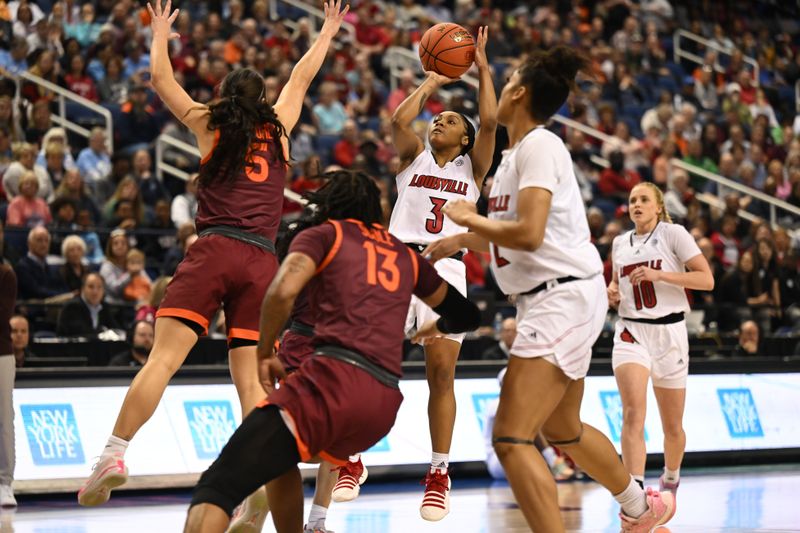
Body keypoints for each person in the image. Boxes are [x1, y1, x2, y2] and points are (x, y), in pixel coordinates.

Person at [78, 3, 351, 527]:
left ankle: (113, 453)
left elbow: (160, 77)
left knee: (162, 361)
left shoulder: (211, 123)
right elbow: (302, 74)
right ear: (263, 100)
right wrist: (328, 30)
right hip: (261, 262)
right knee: (251, 385)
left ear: (226, 97)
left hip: (216, 247)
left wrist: (159, 33)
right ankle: (254, 482)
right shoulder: (281, 130)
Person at [422, 46, 675, 532]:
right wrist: (461, 238)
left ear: (517, 93)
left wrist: (469, 218)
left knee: (512, 437)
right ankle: (643, 511)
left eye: (508, 77)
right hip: (560, 296)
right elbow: (514, 231)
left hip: (561, 297)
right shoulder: (517, 154)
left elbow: (530, 231)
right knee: (563, 429)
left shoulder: (540, 145)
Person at [183, 170, 480, 533]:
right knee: (280, 456)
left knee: (220, 482)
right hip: (382, 404)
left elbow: (281, 291)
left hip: (334, 380)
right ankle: (321, 510)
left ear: (329, 204)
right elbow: (467, 315)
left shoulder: (326, 235)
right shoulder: (405, 255)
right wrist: (436, 327)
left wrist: (264, 351)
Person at [376, 26, 496, 520]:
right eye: (437, 119)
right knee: (374, 362)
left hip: (446, 265)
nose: (438, 123)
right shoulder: (414, 157)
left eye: (449, 120)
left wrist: (483, 67)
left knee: (440, 373)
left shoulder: (472, 168)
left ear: (464, 139)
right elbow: (397, 120)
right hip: (396, 260)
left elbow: (490, 122)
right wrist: (430, 84)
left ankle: (439, 472)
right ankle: (352, 458)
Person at [606, 182, 714, 508]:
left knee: (673, 428)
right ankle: (634, 498)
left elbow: (706, 280)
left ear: (657, 206)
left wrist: (662, 276)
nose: (636, 205)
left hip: (670, 334)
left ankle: (670, 476)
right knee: (633, 413)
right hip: (631, 331)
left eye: (643, 200)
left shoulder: (673, 234)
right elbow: (615, 283)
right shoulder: (618, 243)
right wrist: (612, 293)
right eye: (632, 200)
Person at [0, 264, 17, 507]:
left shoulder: (5, 274)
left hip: (1, 353)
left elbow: (3, 314)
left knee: (3, 418)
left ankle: (4, 483)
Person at [56, 272, 119, 337]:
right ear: (83, 288)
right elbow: (82, 334)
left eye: (99, 287)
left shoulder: (104, 306)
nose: (95, 291)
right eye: (91, 287)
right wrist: (103, 331)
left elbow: (116, 330)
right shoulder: (72, 306)